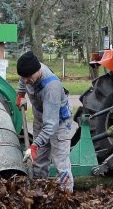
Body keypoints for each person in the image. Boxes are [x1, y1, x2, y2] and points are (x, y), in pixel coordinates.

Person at [16, 51, 76, 192]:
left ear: (38, 71)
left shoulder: (52, 87)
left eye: (28, 77)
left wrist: (35, 146)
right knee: (39, 161)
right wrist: (20, 94)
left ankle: (66, 196)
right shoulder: (29, 71)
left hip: (60, 122)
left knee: (60, 162)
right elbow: (22, 79)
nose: (25, 81)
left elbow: (51, 125)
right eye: (23, 77)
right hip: (41, 117)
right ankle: (39, 192)